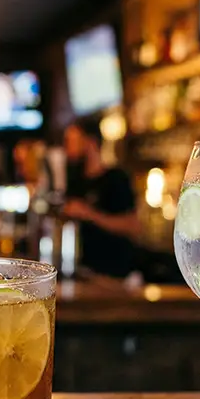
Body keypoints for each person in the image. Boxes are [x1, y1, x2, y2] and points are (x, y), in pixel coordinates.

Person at [62, 115, 138, 278]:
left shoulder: (116, 179)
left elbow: (132, 226)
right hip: (83, 273)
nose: (67, 148)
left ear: (90, 142)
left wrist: (89, 214)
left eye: (71, 141)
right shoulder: (75, 182)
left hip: (114, 276)